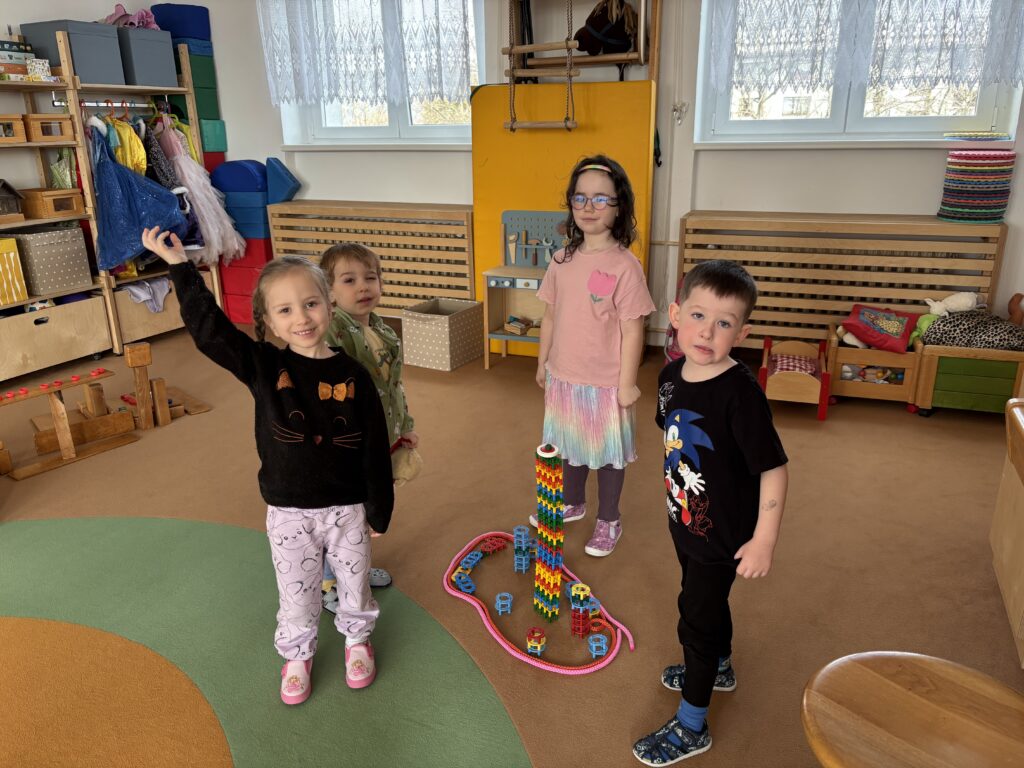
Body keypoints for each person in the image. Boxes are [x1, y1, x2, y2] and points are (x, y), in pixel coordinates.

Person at [140, 226, 394, 704]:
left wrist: (379, 509)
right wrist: (179, 267)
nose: (302, 317)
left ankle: (358, 641)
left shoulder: (354, 376)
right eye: (285, 310)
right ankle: (297, 654)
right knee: (297, 594)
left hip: (347, 509)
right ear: (270, 322)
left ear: (329, 305)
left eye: (311, 303)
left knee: (355, 586)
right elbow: (210, 332)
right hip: (289, 512)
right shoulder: (263, 366)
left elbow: (375, 448)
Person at [633, 259, 789, 764]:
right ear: (676, 315)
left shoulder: (741, 395)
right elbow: (674, 436)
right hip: (686, 520)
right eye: (698, 316)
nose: (707, 331)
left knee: (695, 621)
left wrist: (764, 539)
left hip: (722, 535)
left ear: (741, 334)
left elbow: (773, 468)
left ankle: (691, 725)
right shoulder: (671, 376)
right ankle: (720, 666)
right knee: (706, 599)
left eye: (724, 323)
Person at [533, 154, 656, 556]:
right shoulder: (561, 260)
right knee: (568, 444)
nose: (589, 207)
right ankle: (572, 502)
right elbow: (550, 316)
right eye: (580, 198)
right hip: (564, 375)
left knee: (606, 456)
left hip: (605, 383)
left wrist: (626, 384)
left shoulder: (625, 266)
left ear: (619, 207)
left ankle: (609, 519)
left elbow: (632, 328)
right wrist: (543, 363)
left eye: (601, 199)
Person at [318, 242, 420, 610]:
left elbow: (393, 386)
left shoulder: (380, 328)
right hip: (349, 443)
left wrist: (404, 426)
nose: (363, 287)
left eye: (370, 278)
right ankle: (329, 583)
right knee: (344, 515)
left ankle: (355, 568)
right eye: (349, 280)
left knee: (365, 511)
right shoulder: (333, 331)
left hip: (381, 435)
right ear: (329, 292)